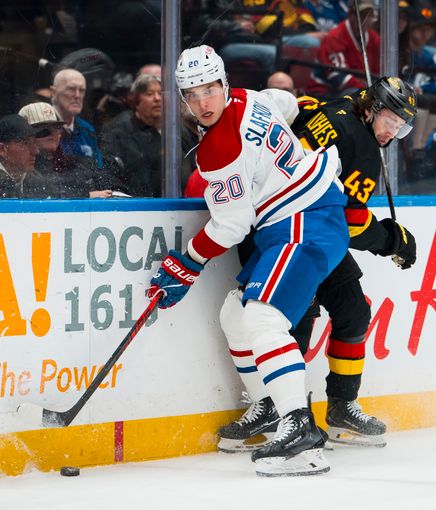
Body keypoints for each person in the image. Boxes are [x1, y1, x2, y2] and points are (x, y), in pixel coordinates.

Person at [146, 45, 349, 477]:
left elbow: (233, 225)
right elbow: (290, 104)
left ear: (223, 83)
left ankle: (301, 431)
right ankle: (274, 406)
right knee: (235, 314)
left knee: (261, 318)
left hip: (304, 220)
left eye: (210, 89)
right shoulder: (253, 97)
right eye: (192, 93)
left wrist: (186, 263)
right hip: (301, 217)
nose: (203, 102)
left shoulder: (218, 148)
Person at [218, 76, 419, 451]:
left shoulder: (336, 107)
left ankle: (341, 406)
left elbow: (303, 112)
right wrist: (393, 240)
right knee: (291, 320)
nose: (393, 131)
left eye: (401, 126)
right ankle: (279, 412)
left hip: (311, 231)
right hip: (284, 234)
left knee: (354, 311)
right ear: (373, 107)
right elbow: (354, 225)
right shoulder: (360, 144)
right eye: (390, 120)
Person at [18, 102, 112, 199]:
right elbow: (41, 191)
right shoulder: (23, 167)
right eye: (43, 131)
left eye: (57, 127)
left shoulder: (74, 162)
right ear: (25, 137)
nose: (53, 134)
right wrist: (86, 195)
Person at [101, 73, 167, 196]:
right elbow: (109, 175)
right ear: (136, 101)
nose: (157, 98)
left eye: (160, 93)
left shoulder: (175, 129)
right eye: (149, 94)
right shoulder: (117, 131)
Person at [307, 0, 380, 97]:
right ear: (350, 14)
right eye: (362, 15)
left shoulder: (375, 39)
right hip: (324, 91)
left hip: (359, 90)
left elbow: (378, 73)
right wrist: (367, 91)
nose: (365, 20)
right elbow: (338, 78)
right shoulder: (336, 36)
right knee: (355, 96)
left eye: (369, 16)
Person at [50, 68, 103, 170]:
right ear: (53, 92)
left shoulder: (88, 130)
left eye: (82, 90)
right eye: (71, 89)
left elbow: (99, 169)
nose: (77, 96)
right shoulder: (42, 127)